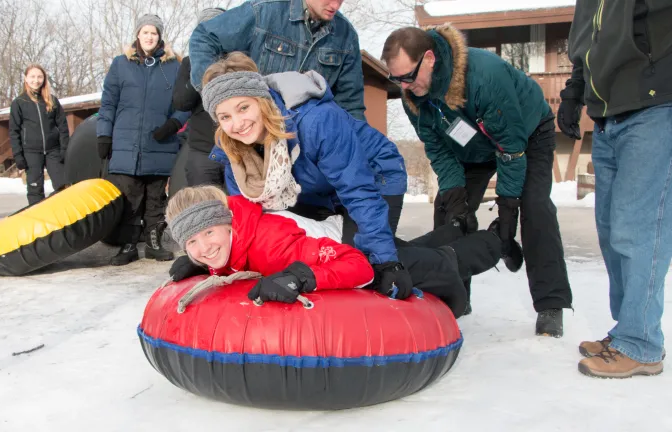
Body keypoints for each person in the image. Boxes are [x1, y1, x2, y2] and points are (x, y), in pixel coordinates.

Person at [381, 24, 573, 336]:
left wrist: (507, 211)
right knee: (448, 210)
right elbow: (438, 149)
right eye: (396, 79)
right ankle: (454, 293)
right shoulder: (412, 95)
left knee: (534, 206)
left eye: (408, 76)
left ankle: (551, 303)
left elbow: (511, 149)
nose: (404, 85)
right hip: (470, 148)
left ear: (429, 58)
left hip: (526, 134)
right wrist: (458, 199)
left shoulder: (483, 77)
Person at [200, 52, 411, 300]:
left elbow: (357, 190)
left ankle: (450, 255)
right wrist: (208, 260)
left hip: (372, 178)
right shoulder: (235, 155)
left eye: (243, 108)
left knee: (364, 263)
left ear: (261, 100)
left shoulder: (316, 121)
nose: (237, 124)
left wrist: (386, 261)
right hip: (311, 191)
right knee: (316, 258)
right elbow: (248, 222)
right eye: (225, 117)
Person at [166, 185, 501, 317]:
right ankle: (453, 229)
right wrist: (203, 266)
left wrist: (304, 276)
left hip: (353, 244)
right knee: (413, 249)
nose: (204, 247)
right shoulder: (225, 244)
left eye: (208, 232)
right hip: (330, 240)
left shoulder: (272, 243)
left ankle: (498, 241)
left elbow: (359, 267)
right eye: (192, 242)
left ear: (227, 225)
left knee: (440, 263)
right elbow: (226, 258)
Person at [559, 0, 671, 378]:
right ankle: (628, 330)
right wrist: (574, 93)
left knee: (638, 228)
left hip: (655, 106)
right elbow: (586, 45)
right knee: (610, 230)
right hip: (607, 114)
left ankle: (641, 343)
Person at [97, 14, 191, 266]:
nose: (149, 37)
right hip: (126, 144)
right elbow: (108, 103)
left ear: (160, 37)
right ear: (138, 34)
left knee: (155, 198)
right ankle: (128, 245)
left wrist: (173, 124)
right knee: (129, 198)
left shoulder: (174, 67)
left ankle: (153, 243)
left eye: (154, 33)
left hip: (160, 142)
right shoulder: (120, 64)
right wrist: (104, 134)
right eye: (145, 32)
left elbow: (186, 103)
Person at [188, 0, 366, 120]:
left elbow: (351, 104)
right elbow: (204, 37)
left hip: (308, 143)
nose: (335, 5)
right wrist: (217, 93)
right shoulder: (264, 11)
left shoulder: (346, 36)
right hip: (257, 129)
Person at [172, 7, 227, 187]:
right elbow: (181, 102)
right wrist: (202, 67)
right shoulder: (190, 62)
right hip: (202, 151)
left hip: (235, 150)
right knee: (205, 207)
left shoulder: (237, 60)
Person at [9, 64, 69, 206]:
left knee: (63, 186)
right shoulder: (19, 103)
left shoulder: (52, 100)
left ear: (44, 79)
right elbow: (14, 131)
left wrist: (64, 149)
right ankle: (40, 220)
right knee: (35, 190)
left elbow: (63, 126)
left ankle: (61, 216)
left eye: (39, 77)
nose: (36, 80)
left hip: (53, 150)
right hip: (31, 152)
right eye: (32, 77)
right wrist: (18, 156)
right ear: (26, 79)